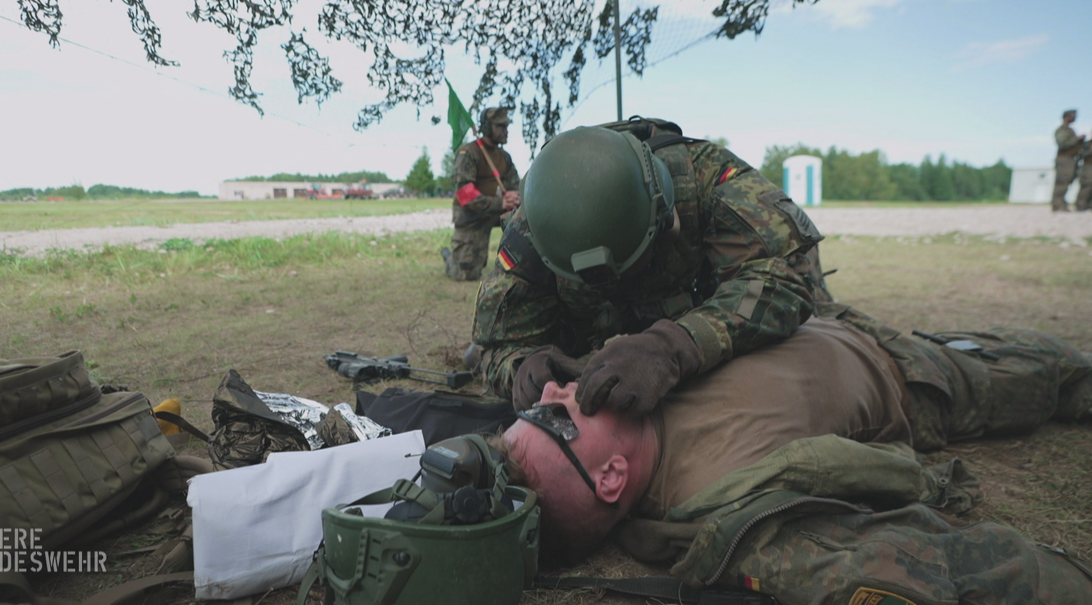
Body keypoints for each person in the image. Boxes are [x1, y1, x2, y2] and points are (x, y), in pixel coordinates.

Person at [491, 303, 1092, 603]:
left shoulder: (626, 382)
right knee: (1061, 370)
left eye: (532, 407)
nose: (551, 391)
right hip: (914, 377)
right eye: (551, 415)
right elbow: (976, 570)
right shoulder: (727, 502)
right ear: (612, 478)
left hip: (832, 316)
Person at [472, 117, 832, 411]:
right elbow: (495, 346)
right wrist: (522, 370)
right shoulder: (535, 227)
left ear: (665, 216)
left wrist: (678, 345)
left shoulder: (711, 180)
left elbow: (787, 279)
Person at [442, 107, 521, 281]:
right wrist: (500, 203)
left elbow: (516, 186)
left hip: (497, 212)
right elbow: (465, 195)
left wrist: (514, 198)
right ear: (487, 127)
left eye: (506, 126)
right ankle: (450, 259)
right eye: (500, 127)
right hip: (471, 216)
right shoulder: (469, 153)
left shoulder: (504, 157)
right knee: (467, 273)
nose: (505, 131)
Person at [1053, 109, 1087, 212]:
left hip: (1071, 159)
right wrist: (1077, 139)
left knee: (1067, 181)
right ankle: (1058, 205)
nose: (1075, 118)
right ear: (1066, 117)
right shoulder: (1061, 130)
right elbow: (1062, 144)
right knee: (1061, 182)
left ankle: (1061, 204)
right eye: (1073, 116)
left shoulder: (1070, 130)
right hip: (1064, 160)